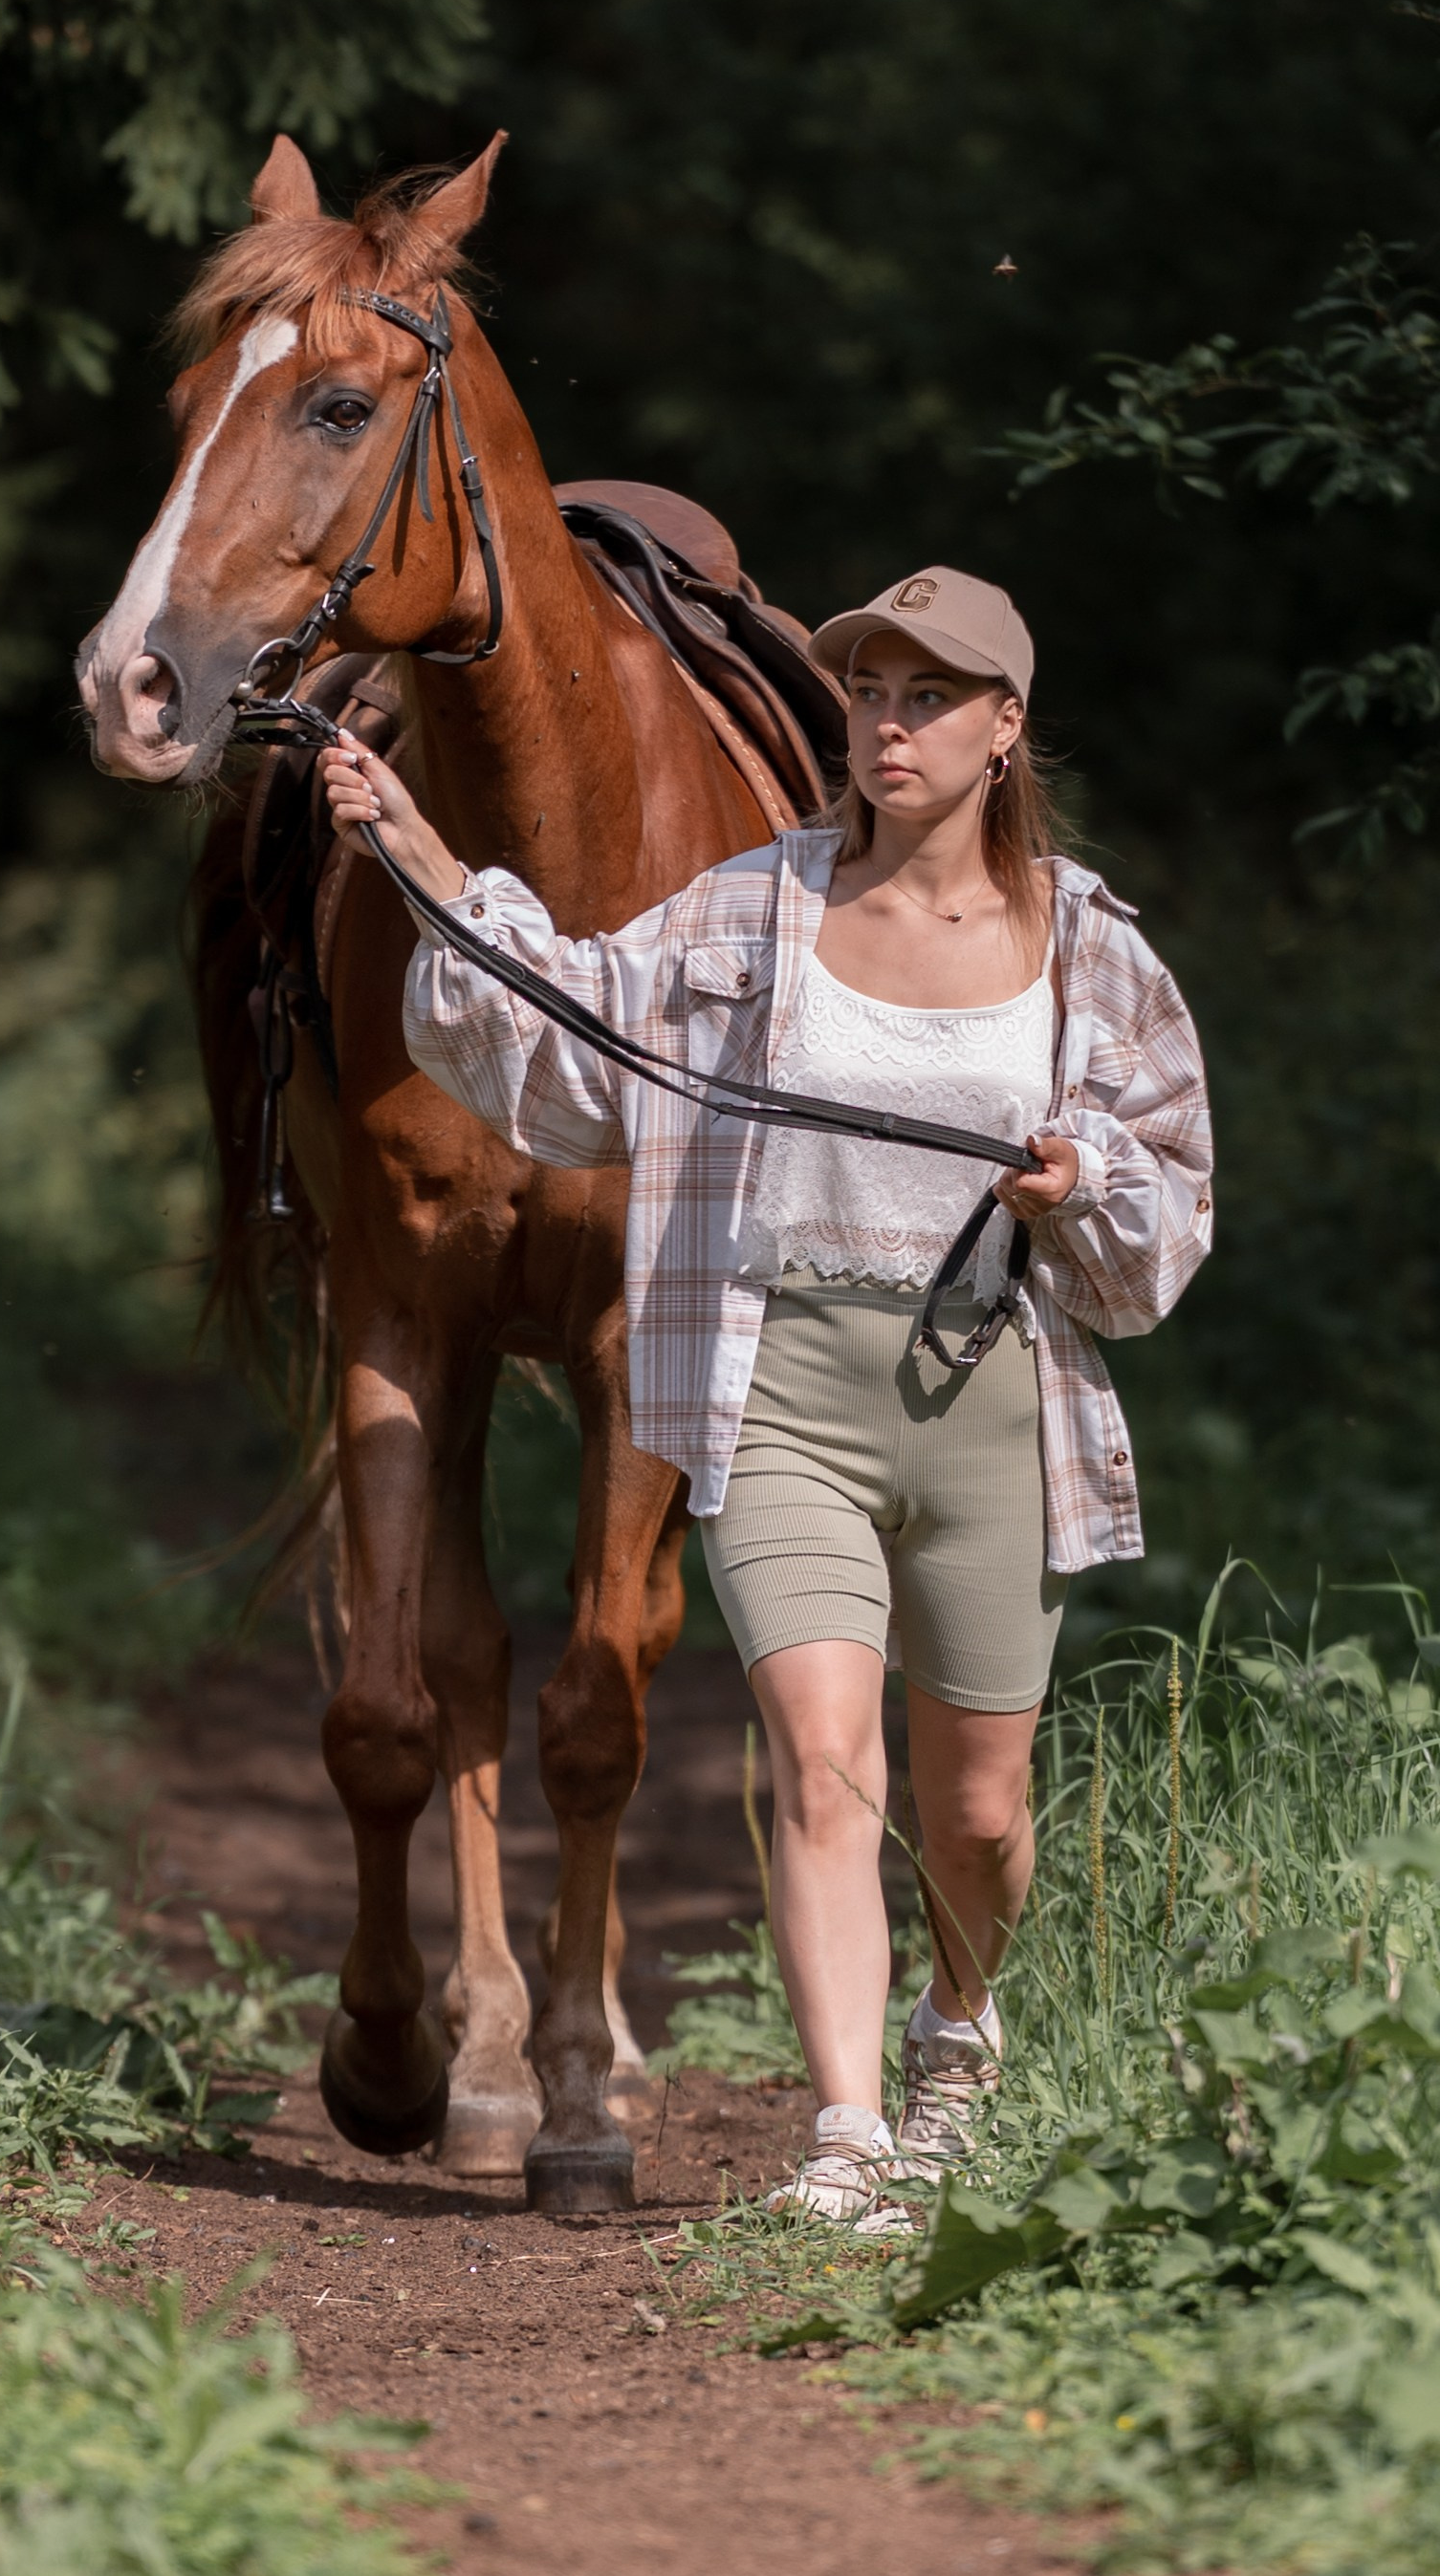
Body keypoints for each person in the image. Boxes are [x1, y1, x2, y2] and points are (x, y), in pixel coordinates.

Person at [316, 566, 1211, 2236]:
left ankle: (960, 2030)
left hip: (988, 1392)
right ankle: (854, 2137)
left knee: (983, 1814)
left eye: (928, 695)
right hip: (782, 1384)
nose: (888, 723)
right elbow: (574, 1040)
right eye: (868, 691)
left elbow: (1173, 1204)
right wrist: (425, 861)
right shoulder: (752, 911)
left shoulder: (1085, 948)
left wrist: (1084, 1179)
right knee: (819, 1762)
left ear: (1004, 729)